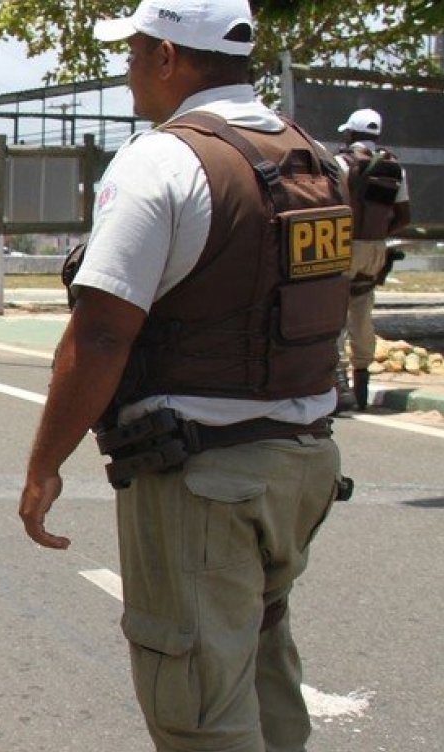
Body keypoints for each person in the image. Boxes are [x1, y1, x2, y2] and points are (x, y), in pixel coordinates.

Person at [19, 1, 347, 750]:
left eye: (134, 53)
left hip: (205, 476)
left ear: (169, 57)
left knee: (196, 703)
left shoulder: (163, 160)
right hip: (303, 465)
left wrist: (45, 464)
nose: (127, 70)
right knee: (263, 665)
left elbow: (102, 330)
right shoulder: (312, 157)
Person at [334, 108, 410, 411]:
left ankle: (340, 387)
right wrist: (377, 234)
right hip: (376, 249)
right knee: (362, 312)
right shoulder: (395, 168)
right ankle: (362, 382)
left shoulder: (341, 163)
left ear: (350, 134)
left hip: (345, 247)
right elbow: (404, 216)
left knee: (336, 313)